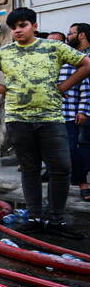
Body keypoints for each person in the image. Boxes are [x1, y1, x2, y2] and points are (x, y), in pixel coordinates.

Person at [0, 7, 90, 239]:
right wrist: (3, 90)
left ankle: (56, 219)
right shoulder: (5, 52)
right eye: (14, 27)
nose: (18, 30)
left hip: (51, 119)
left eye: (23, 25)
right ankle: (34, 218)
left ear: (34, 26)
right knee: (30, 169)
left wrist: (63, 87)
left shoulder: (53, 47)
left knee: (61, 169)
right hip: (19, 120)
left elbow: (86, 64)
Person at [64, 22, 90, 202]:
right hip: (62, 113)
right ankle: (76, 180)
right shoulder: (66, 58)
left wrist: (82, 110)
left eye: (71, 33)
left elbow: (85, 87)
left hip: (78, 111)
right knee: (71, 148)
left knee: (79, 147)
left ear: (81, 35)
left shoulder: (82, 60)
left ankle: (81, 181)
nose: (68, 36)